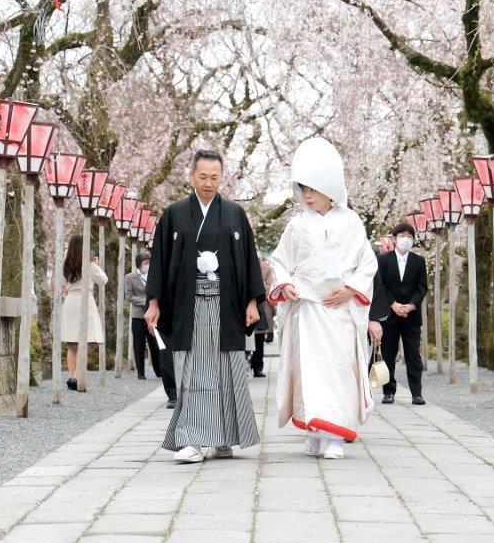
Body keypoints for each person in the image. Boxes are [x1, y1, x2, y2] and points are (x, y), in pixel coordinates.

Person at [145, 150, 266, 464]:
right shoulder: (174, 213)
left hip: (227, 304)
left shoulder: (234, 214)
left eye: (214, 177)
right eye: (203, 176)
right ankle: (193, 439)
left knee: (227, 370)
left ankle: (223, 438)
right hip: (190, 303)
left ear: (222, 177)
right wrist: (154, 301)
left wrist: (253, 301)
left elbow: (249, 260)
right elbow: (159, 260)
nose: (208, 183)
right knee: (195, 370)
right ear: (191, 175)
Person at [269, 138, 379, 460]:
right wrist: (286, 284)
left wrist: (350, 289)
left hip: (340, 310)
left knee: (338, 372)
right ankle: (315, 432)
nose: (307, 196)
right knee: (309, 374)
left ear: (329, 189)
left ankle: (335, 436)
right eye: (303, 189)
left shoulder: (351, 222)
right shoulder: (296, 225)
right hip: (308, 309)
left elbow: (367, 262)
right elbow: (280, 260)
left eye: (313, 189)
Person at [368, 221, 428, 405]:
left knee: (413, 356)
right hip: (389, 315)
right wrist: (393, 304)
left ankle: (416, 393)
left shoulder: (419, 261)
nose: (406, 240)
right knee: (388, 354)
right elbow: (381, 286)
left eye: (409, 237)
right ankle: (388, 391)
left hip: (411, 316)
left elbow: (422, 286)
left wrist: (411, 305)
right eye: (402, 236)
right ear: (394, 239)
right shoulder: (383, 260)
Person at [60, 234, 105, 391]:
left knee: (72, 345)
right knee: (83, 342)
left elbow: (62, 285)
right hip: (85, 301)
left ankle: (72, 376)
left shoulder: (65, 265)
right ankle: (78, 377)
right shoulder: (89, 265)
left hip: (70, 301)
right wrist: (96, 264)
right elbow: (103, 280)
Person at [125, 253, 161, 381]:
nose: (147, 266)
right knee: (139, 344)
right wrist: (146, 301)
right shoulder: (130, 277)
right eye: (144, 263)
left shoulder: (154, 276)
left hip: (152, 316)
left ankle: (159, 371)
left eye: (148, 263)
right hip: (138, 316)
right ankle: (141, 372)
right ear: (138, 264)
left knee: (155, 344)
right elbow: (129, 296)